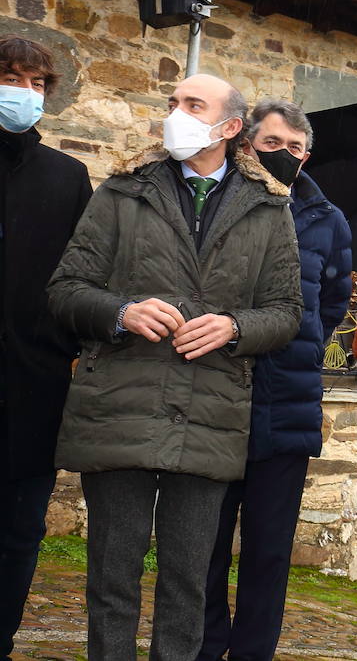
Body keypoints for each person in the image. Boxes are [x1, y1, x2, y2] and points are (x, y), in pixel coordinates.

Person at [46, 74, 302, 661]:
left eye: (192, 105)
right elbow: (65, 290)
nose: (175, 114)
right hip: (118, 403)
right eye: (172, 103)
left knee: (188, 582)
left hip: (209, 412)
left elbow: (286, 313)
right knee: (112, 576)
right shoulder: (121, 191)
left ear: (230, 126)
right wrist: (121, 311)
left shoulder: (268, 209)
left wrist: (236, 327)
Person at [198, 99, 352, 661]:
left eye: (295, 148)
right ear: (245, 144)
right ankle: (204, 645)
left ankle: (252, 652)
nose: (285, 156)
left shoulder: (327, 219)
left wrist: (290, 337)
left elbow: (331, 304)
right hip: (216, 397)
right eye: (272, 145)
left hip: (286, 404)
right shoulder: (216, 201)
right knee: (204, 546)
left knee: (268, 552)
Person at [0, 36, 90, 661]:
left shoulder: (67, 177)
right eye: (11, 78)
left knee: (18, 533)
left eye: (36, 83)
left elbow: (83, 278)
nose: (24, 92)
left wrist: (68, 353)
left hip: (33, 387)